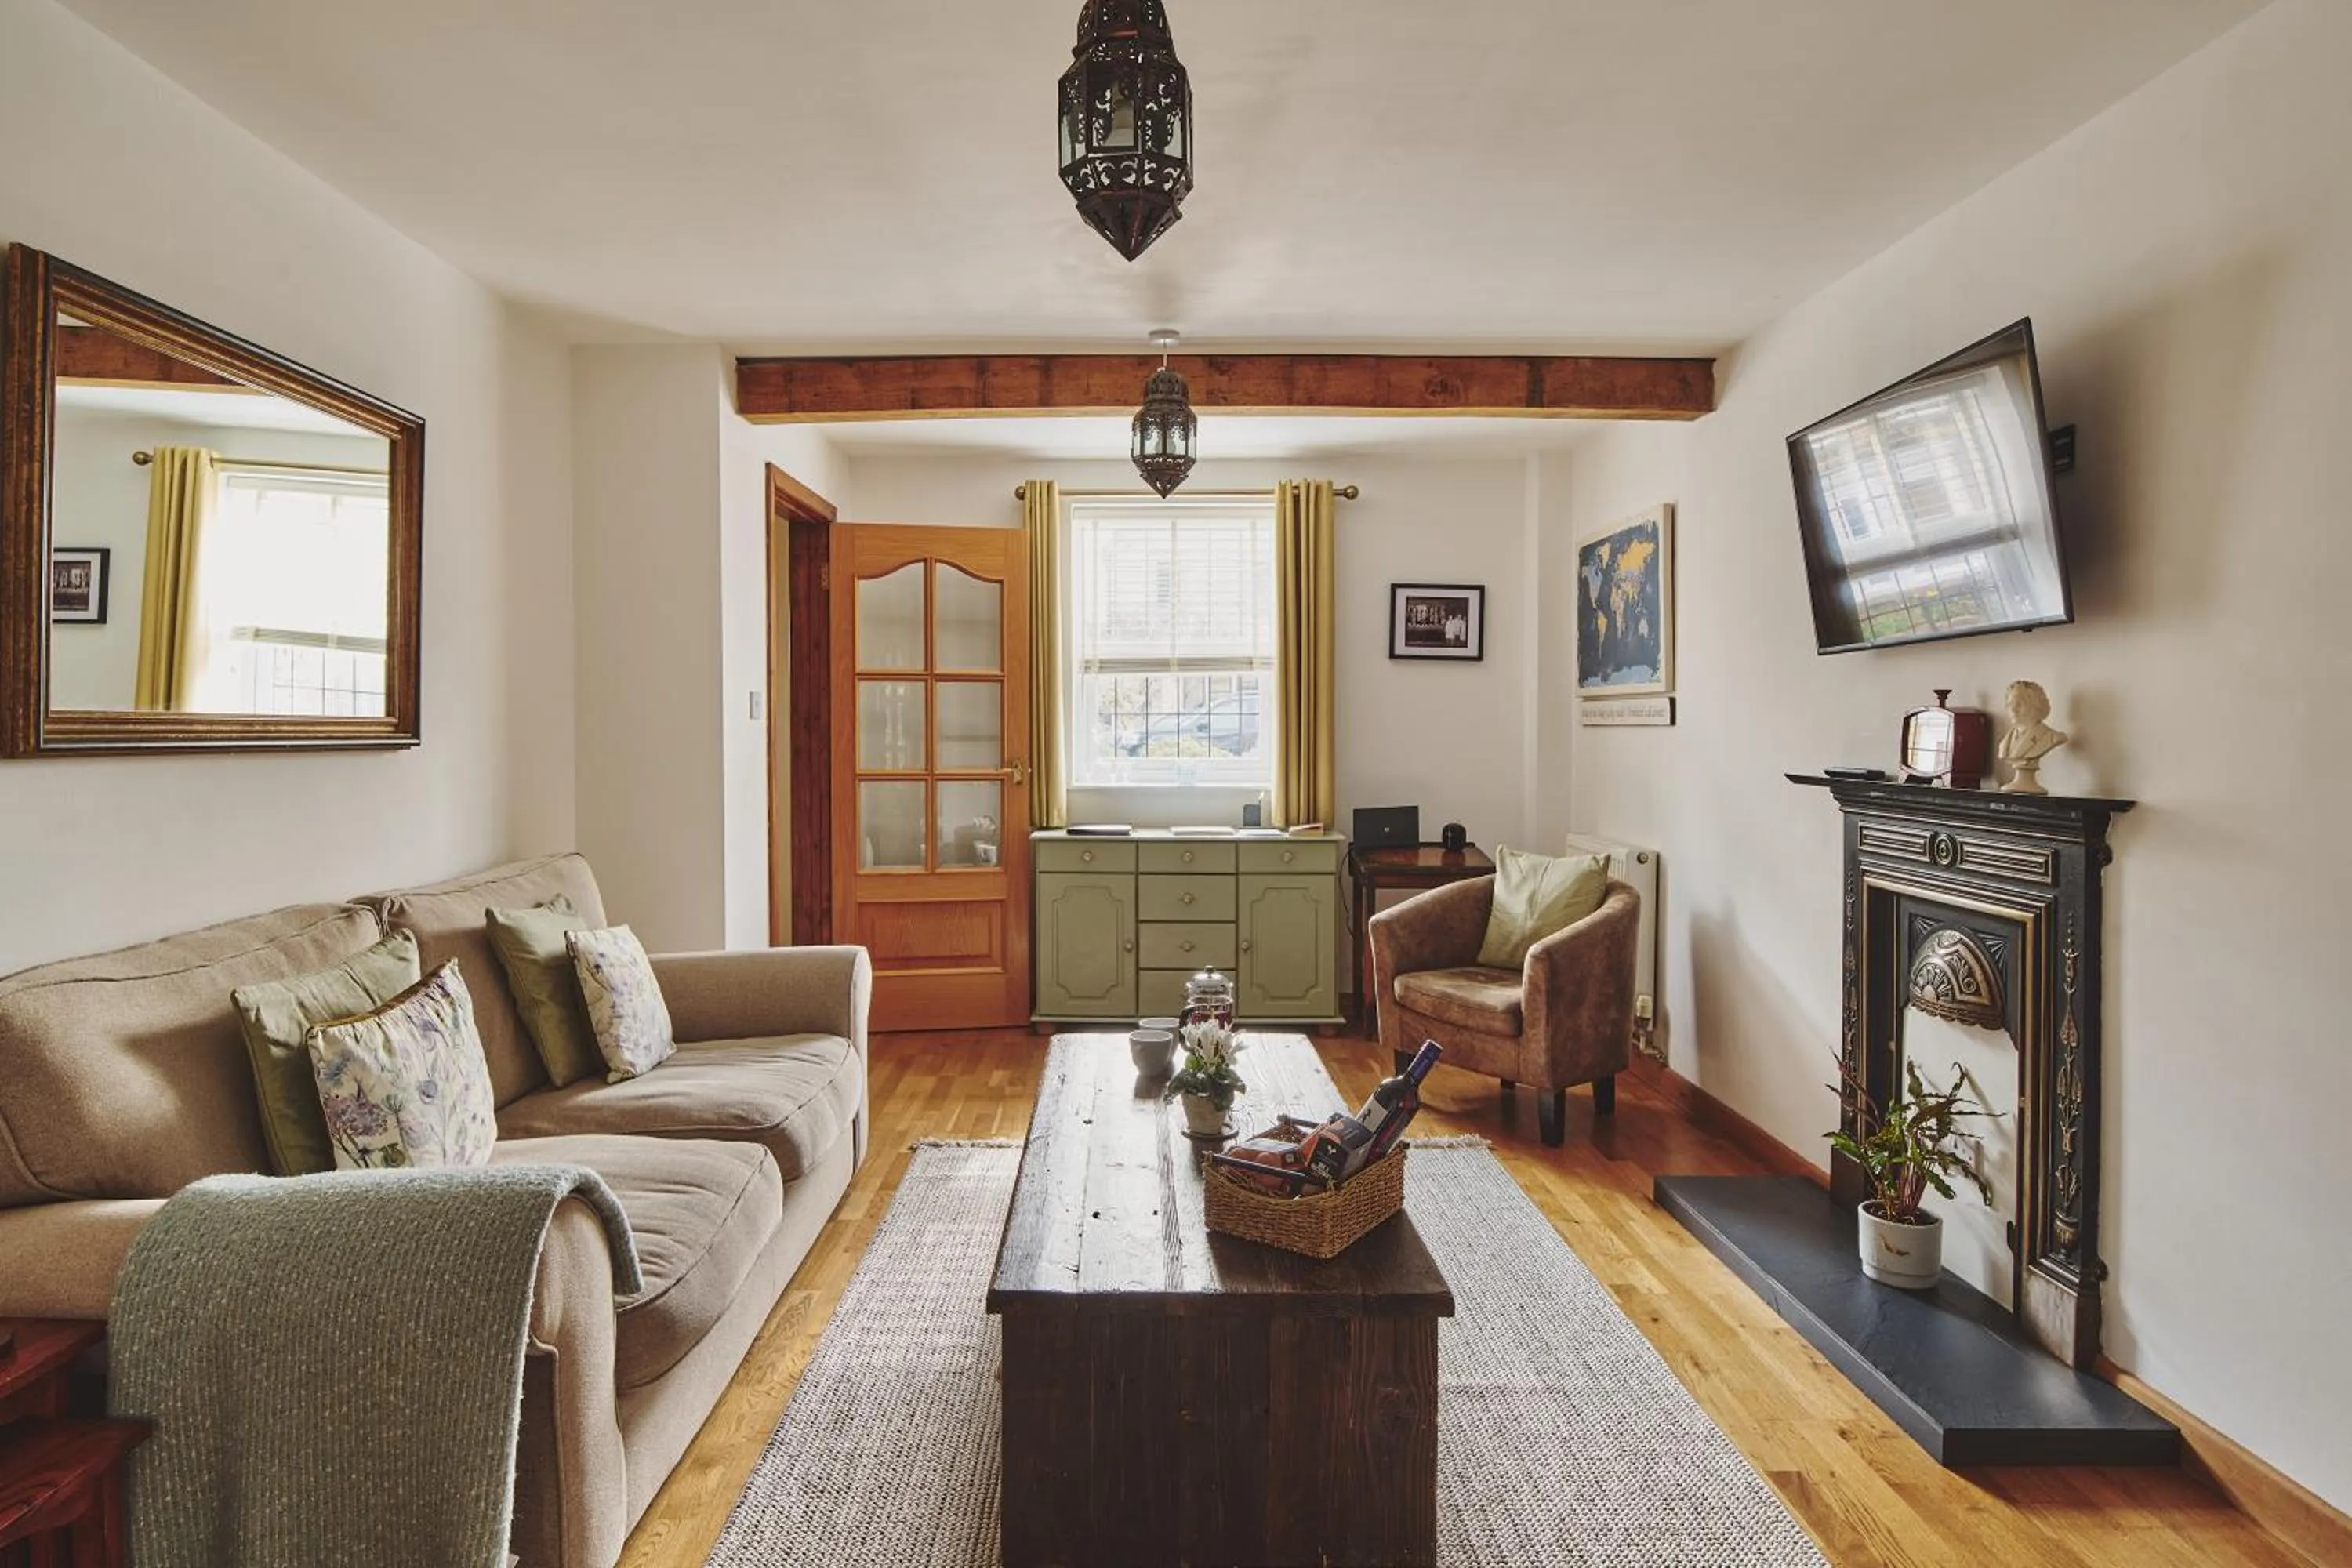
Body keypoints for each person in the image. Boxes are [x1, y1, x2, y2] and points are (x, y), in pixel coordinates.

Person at [1997, 681, 2067, 794]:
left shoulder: (2051, 737)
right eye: (2010, 704)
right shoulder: (2004, 744)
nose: (2013, 710)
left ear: (2035, 706)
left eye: (2019, 704)